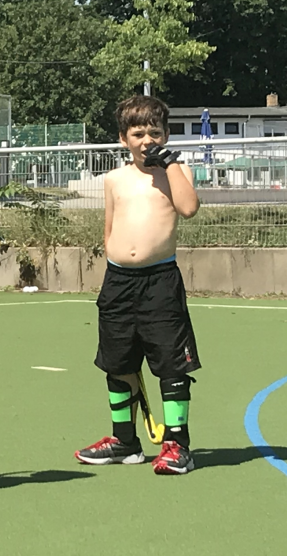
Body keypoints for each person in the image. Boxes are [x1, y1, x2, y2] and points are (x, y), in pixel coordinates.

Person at [74, 95, 201, 475]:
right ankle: (124, 441)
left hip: (159, 282)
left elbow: (189, 208)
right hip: (118, 283)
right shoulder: (115, 179)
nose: (147, 139)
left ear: (166, 135)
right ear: (123, 138)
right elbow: (109, 228)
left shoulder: (176, 172)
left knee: (170, 363)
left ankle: (177, 444)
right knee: (117, 361)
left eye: (155, 132)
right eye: (138, 133)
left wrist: (172, 164)